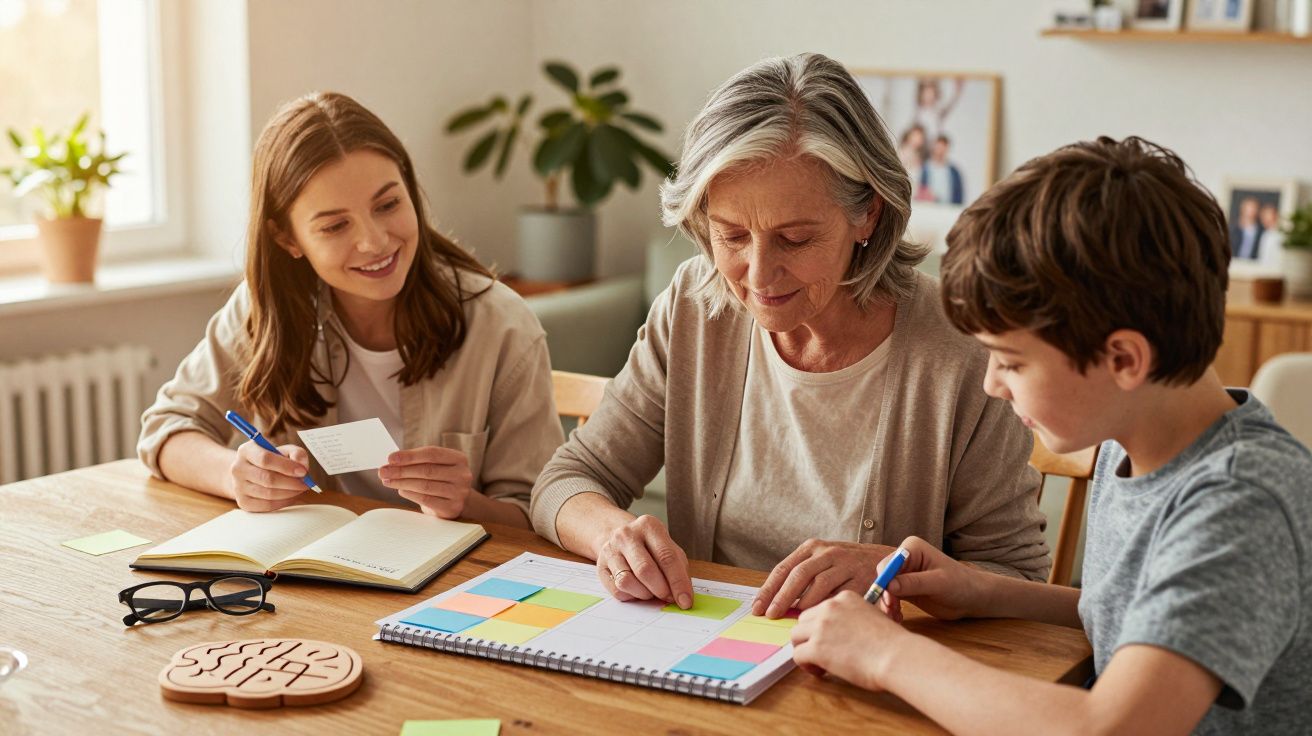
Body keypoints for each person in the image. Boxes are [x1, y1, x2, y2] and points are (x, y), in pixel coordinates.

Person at [791, 136, 1312, 734]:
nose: (991, 383)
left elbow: (1110, 728)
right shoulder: (1138, 441)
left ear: (1123, 360)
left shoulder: (1240, 503)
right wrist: (981, 590)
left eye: (1011, 362)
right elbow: (1131, 618)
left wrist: (885, 654)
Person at [530, 53, 1049, 615]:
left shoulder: (964, 348)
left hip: (874, 659)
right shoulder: (693, 307)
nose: (758, 276)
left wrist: (893, 574)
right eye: (731, 236)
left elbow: (1017, 579)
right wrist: (613, 534)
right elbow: (568, 480)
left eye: (795, 239)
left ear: (868, 215)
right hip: (710, 649)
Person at [138, 92, 563, 527]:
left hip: (454, 565)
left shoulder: (501, 325)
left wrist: (463, 504)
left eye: (388, 204)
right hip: (316, 560)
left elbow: (541, 512)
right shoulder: (264, 310)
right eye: (335, 225)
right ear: (287, 239)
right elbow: (166, 428)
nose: (375, 242)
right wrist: (236, 475)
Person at [919, 134, 965, 205]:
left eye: (943, 148)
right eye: (938, 147)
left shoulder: (954, 172)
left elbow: (959, 196)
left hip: (948, 208)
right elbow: (920, 191)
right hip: (928, 207)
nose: (940, 151)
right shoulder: (925, 169)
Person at [1230, 195, 1263, 259]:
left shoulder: (1261, 232)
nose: (1251, 210)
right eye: (1249, 207)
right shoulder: (1232, 229)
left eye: (1254, 208)